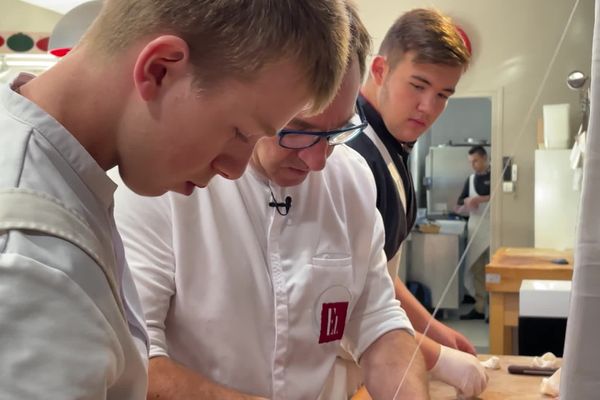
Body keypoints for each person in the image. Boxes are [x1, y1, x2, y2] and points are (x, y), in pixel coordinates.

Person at [0, 0, 351, 398]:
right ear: (160, 69)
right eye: (240, 132)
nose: (234, 169)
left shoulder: (59, 173)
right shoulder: (31, 261)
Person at [114, 6, 435, 399]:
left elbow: (378, 319)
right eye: (299, 131)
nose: (318, 161)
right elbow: (137, 362)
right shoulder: (168, 183)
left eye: (337, 131)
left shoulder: (351, 178)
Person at [347, 7, 487, 395]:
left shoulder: (392, 147)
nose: (429, 107)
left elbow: (380, 276)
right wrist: (435, 355)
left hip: (366, 371)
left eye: (443, 94)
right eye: (418, 85)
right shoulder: (352, 154)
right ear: (379, 71)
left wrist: (432, 328)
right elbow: (346, 298)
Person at [455, 145, 491, 320]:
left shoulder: (496, 175)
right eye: (471, 162)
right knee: (477, 269)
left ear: (485, 158)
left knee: (492, 270)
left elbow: (500, 195)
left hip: (493, 228)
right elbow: (458, 204)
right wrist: (466, 204)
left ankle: (493, 310)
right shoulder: (470, 180)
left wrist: (481, 199)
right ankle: (479, 307)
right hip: (475, 228)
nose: (473, 165)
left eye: (476, 161)